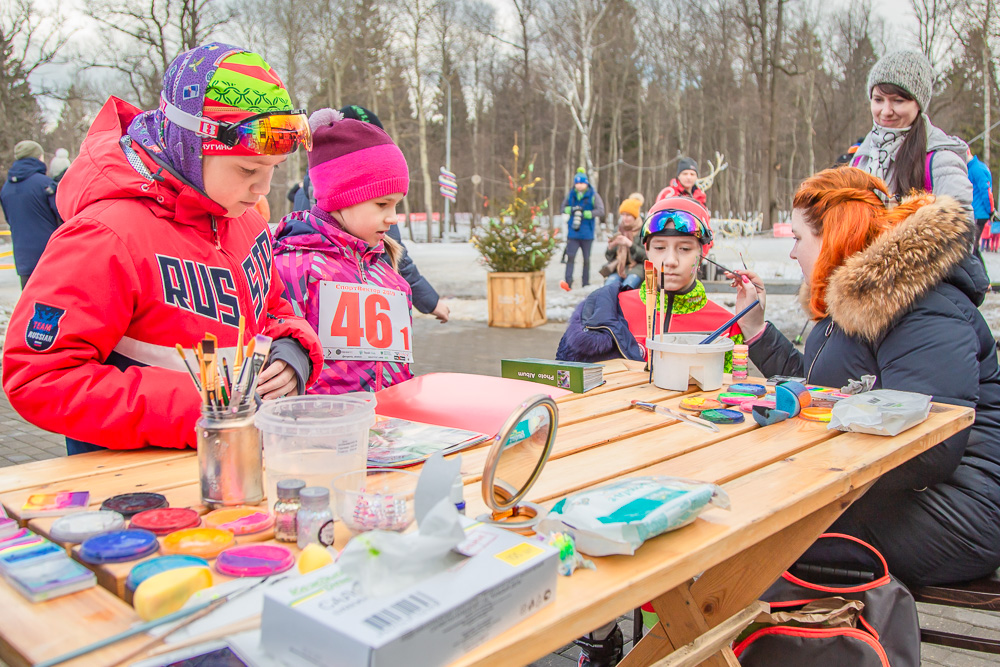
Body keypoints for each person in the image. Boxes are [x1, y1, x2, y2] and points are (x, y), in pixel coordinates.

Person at [1, 43, 323, 454]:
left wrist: (291, 349)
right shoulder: (107, 234)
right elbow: (39, 376)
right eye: (247, 169)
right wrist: (202, 406)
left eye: (272, 170)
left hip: (231, 465)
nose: (263, 189)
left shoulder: (246, 220)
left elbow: (271, 309)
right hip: (133, 482)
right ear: (192, 145)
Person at [731, 167, 1000, 587]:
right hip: (895, 493)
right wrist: (757, 329)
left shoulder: (922, 307)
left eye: (799, 239)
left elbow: (930, 444)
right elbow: (820, 390)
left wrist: (807, 465)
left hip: (957, 511)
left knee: (749, 532)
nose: (792, 253)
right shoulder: (854, 308)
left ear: (834, 234)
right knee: (744, 512)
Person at [272, 108, 414, 394]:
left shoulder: (389, 276)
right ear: (342, 198)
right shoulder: (294, 269)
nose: (393, 217)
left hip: (390, 428)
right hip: (322, 429)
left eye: (396, 205)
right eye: (382, 204)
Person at [557, 196, 742, 365]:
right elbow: (565, 379)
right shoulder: (609, 308)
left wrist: (758, 331)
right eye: (660, 247)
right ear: (647, 251)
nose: (670, 261)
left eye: (685, 249)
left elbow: (735, 395)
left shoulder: (726, 327)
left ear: (702, 254)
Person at [338, 103, 450, 323]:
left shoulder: (312, 186)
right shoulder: (361, 189)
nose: (391, 217)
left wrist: (428, 299)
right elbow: (393, 253)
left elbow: (393, 251)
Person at [851, 51, 974, 223]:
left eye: (898, 101)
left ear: (918, 104)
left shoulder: (941, 161)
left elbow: (960, 233)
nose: (886, 111)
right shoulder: (862, 157)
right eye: (878, 100)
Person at [0, 140, 61, 288]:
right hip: (50, 257)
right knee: (53, 307)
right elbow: (62, 217)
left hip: (23, 260)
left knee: (30, 307)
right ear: (38, 157)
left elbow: (10, 219)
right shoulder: (45, 184)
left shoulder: (6, 188)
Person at [560, 168, 605, 290]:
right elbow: (563, 208)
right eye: (577, 183)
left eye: (582, 183)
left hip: (587, 233)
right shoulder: (571, 194)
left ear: (586, 183)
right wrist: (571, 210)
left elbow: (601, 210)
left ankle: (585, 282)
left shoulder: (593, 195)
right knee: (570, 257)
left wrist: (587, 213)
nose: (579, 185)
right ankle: (568, 282)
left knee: (586, 259)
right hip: (573, 233)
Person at [601, 197, 645, 289]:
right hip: (619, 267)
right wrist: (611, 247)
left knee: (627, 287)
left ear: (635, 216)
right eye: (623, 215)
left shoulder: (643, 230)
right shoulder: (618, 229)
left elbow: (646, 256)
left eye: (628, 215)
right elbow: (609, 257)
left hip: (637, 268)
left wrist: (629, 244)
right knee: (608, 287)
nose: (625, 218)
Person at [967, 151, 995, 241]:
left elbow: (986, 191)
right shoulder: (972, 168)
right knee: (973, 248)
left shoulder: (977, 169)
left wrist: (990, 210)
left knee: (973, 248)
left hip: (978, 213)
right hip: (976, 212)